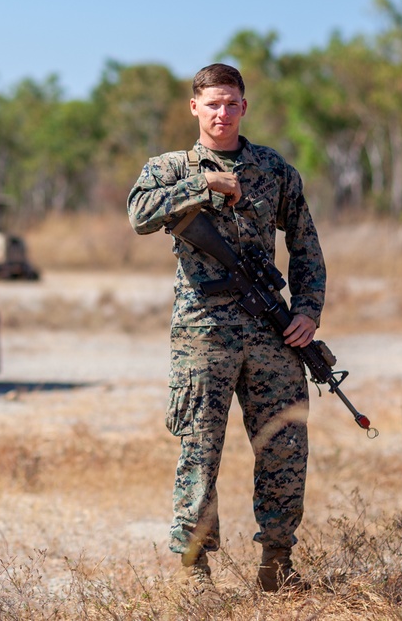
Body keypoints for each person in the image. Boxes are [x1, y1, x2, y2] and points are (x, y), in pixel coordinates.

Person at [126, 63, 326, 594]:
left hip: (271, 330)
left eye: (231, 103)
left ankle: (278, 563)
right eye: (212, 103)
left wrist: (307, 310)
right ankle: (196, 572)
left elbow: (306, 244)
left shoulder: (273, 169)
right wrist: (201, 185)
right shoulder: (171, 166)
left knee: (284, 447)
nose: (222, 113)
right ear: (195, 107)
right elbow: (140, 213)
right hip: (202, 333)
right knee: (200, 449)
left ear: (244, 107)